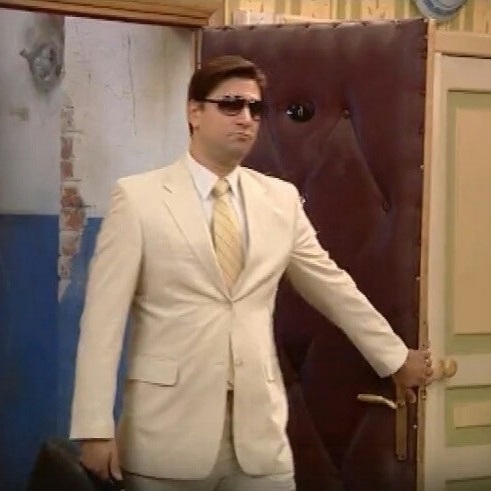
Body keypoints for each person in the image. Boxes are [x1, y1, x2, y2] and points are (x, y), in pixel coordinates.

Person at [70, 55, 433, 491]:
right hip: (166, 433)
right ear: (194, 112)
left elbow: (331, 286)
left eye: (255, 108)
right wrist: (94, 429)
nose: (246, 118)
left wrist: (393, 357)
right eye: (231, 105)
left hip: (259, 436)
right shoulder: (138, 199)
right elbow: (103, 322)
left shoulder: (279, 199)